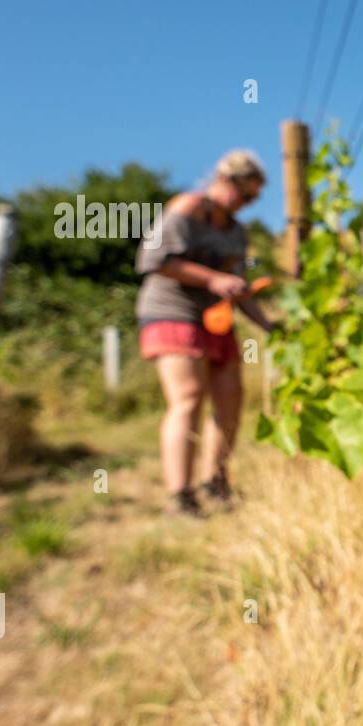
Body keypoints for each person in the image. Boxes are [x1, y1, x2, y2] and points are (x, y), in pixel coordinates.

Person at [135, 149, 274, 516]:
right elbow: (153, 259)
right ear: (226, 181)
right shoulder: (190, 207)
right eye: (246, 195)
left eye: (254, 199)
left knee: (232, 398)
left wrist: (269, 325)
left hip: (215, 318)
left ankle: (216, 481)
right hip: (172, 312)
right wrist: (214, 278)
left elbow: (237, 286)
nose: (248, 204)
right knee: (190, 397)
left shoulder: (237, 231)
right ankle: (180, 495)